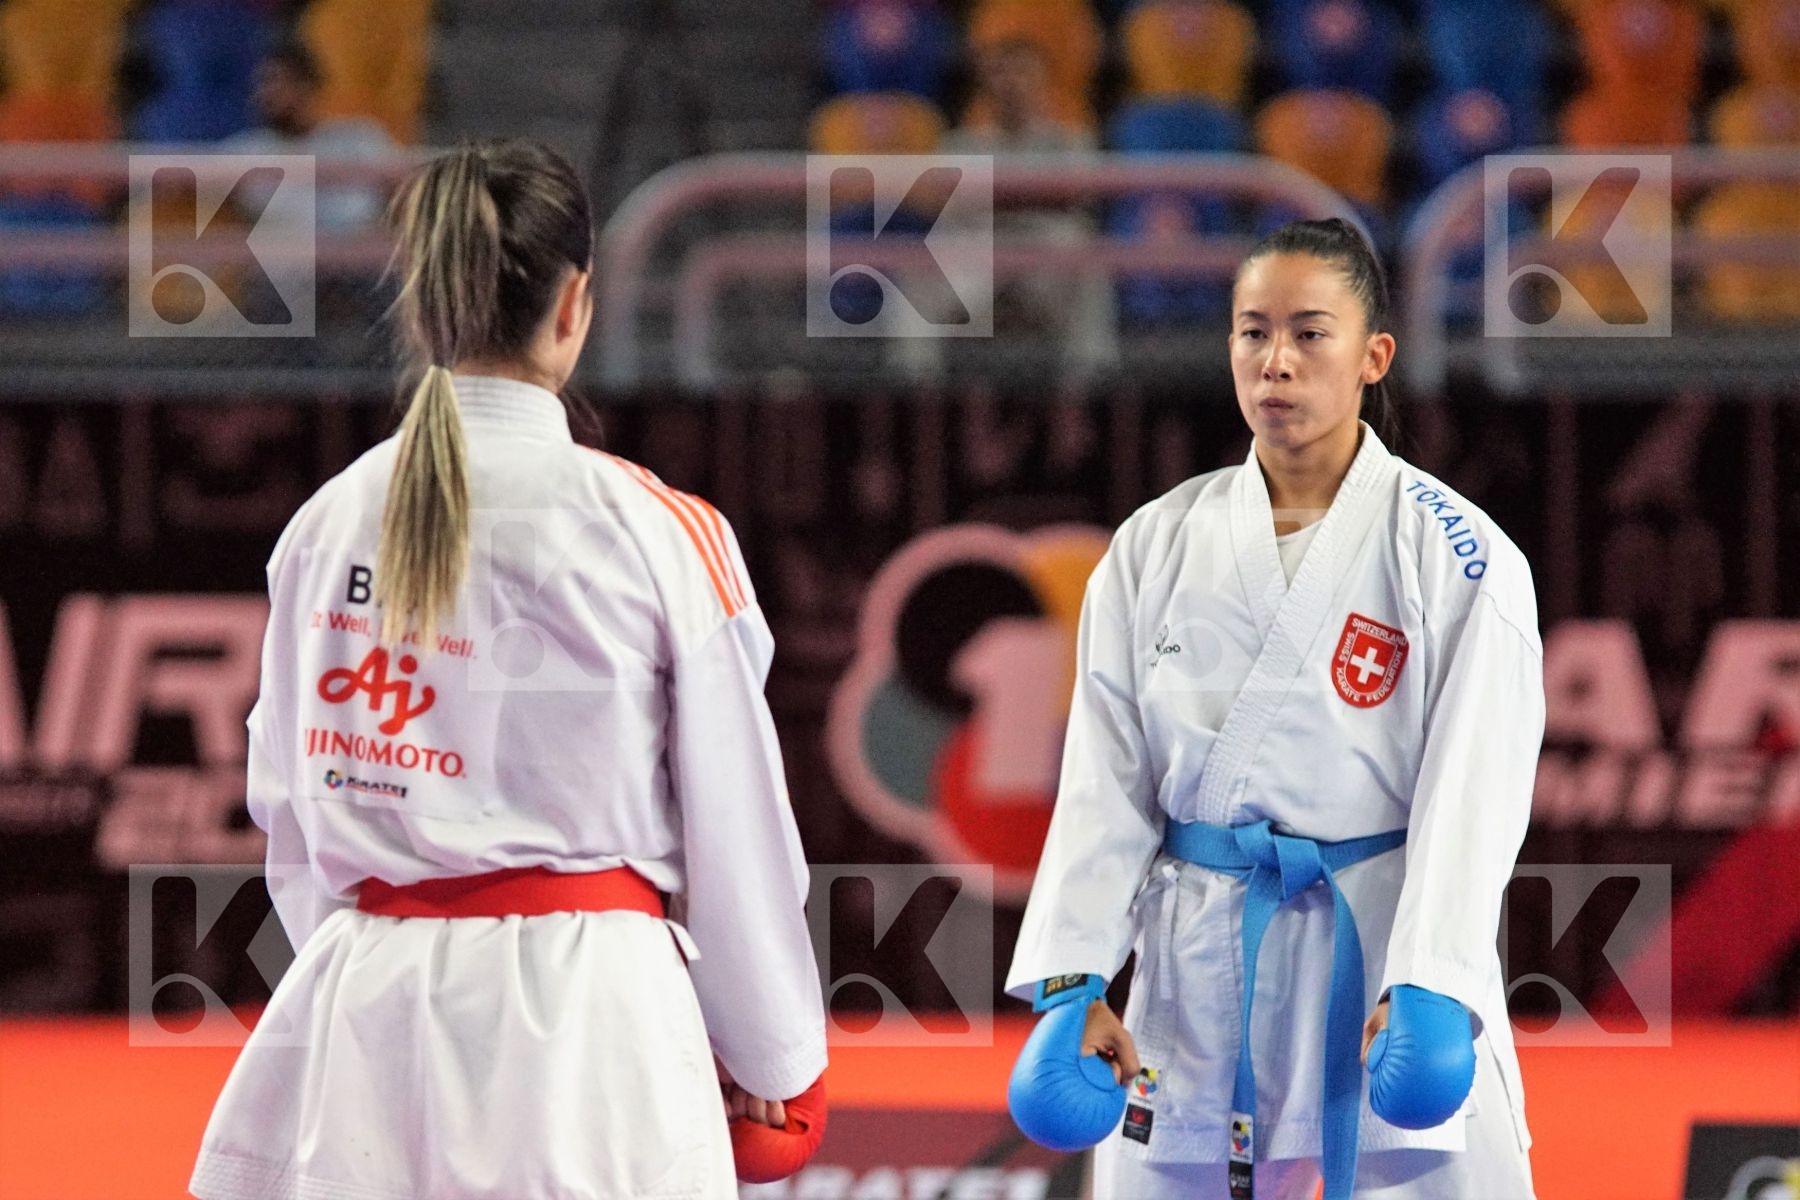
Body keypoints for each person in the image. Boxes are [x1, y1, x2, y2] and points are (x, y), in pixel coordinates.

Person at [189, 139, 826, 1200]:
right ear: (575, 303)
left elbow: (290, 821)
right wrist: (774, 1061)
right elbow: (740, 829)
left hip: (366, 1009)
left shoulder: (323, 524)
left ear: (424, 303)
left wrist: (390, 936)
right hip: (589, 1022)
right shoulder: (654, 529)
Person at [1005, 218, 1543, 1199]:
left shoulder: (1457, 554)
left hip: (1373, 950)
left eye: (1309, 333)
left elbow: (1477, 794)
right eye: (1254, 333)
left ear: (1374, 355)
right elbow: (1106, 784)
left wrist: (1434, 975)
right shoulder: (1153, 543)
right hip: (1200, 961)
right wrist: (1075, 976)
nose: (1277, 362)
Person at [222, 39, 396, 233]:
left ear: (306, 85)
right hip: (281, 260)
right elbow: (186, 181)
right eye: (261, 84)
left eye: (274, 81)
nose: (264, 94)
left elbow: (410, 193)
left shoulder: (361, 138)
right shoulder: (245, 150)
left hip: (358, 257)